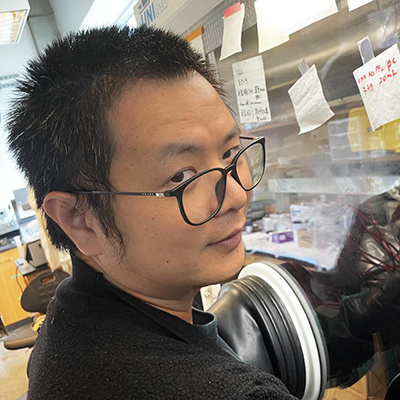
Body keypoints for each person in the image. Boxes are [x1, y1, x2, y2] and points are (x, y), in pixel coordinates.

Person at [7, 25, 296, 399]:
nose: (237, 196)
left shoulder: (71, 314)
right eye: (181, 176)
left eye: (229, 153)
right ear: (79, 220)